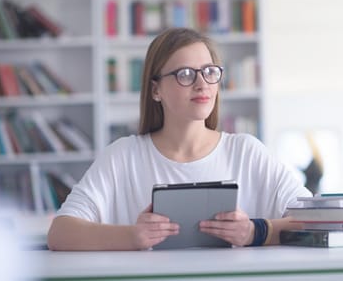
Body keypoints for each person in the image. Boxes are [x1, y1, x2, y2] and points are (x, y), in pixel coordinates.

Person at [47, 27, 311, 251]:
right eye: (185, 74)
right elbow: (59, 233)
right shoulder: (123, 156)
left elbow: (313, 220)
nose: (202, 83)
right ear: (155, 89)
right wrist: (132, 236)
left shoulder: (246, 152)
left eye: (209, 72)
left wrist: (255, 232)